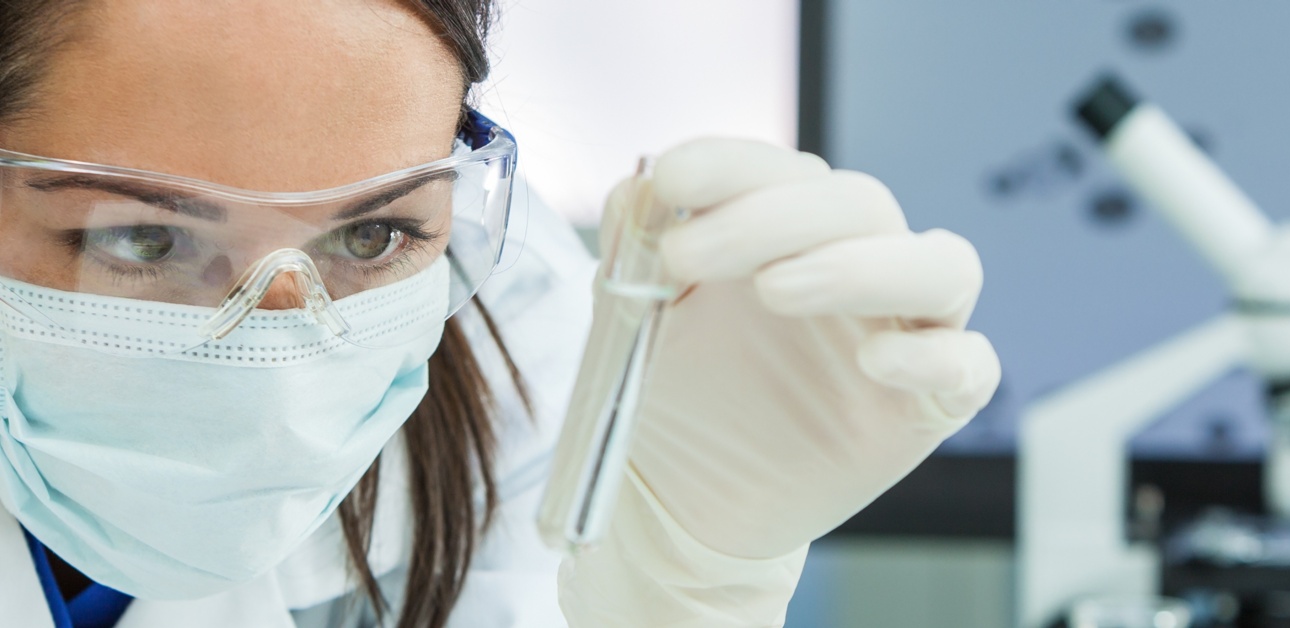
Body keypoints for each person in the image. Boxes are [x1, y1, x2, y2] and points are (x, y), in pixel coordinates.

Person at [0, 0, 1002, 626]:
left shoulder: (511, 338)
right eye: (143, 239)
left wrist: (689, 591)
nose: (276, 361)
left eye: (369, 236)